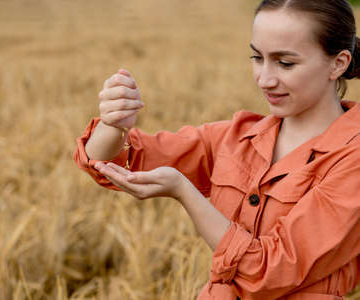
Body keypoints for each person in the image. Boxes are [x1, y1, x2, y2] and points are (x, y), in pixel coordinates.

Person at [73, 0, 360, 299]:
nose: (265, 79)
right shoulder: (236, 136)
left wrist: (185, 193)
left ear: (338, 63)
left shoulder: (353, 158)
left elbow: (270, 270)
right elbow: (118, 162)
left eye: (285, 63)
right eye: (257, 57)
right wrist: (113, 124)